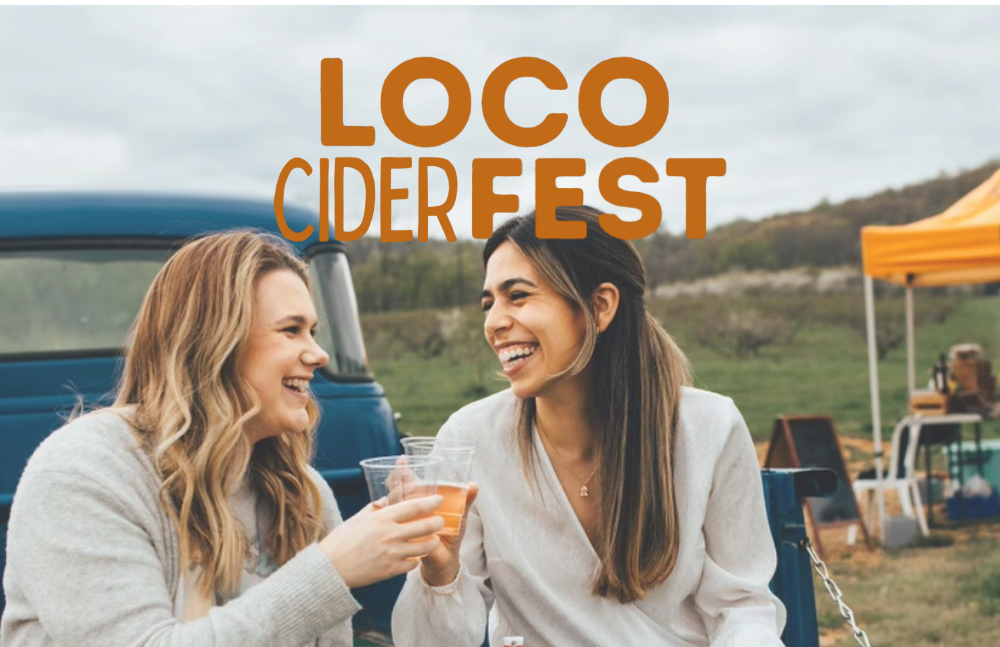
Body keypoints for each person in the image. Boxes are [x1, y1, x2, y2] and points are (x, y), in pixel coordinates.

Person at [1, 231, 444, 646]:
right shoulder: (84, 473)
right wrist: (330, 572)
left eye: (313, 331)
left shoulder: (306, 495)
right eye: (291, 330)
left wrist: (436, 570)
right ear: (214, 342)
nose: (318, 354)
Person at [391, 206, 786, 646]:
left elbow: (741, 607)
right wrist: (439, 571)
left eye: (517, 295)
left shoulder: (709, 428)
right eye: (489, 303)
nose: (493, 323)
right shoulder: (470, 438)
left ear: (599, 307)